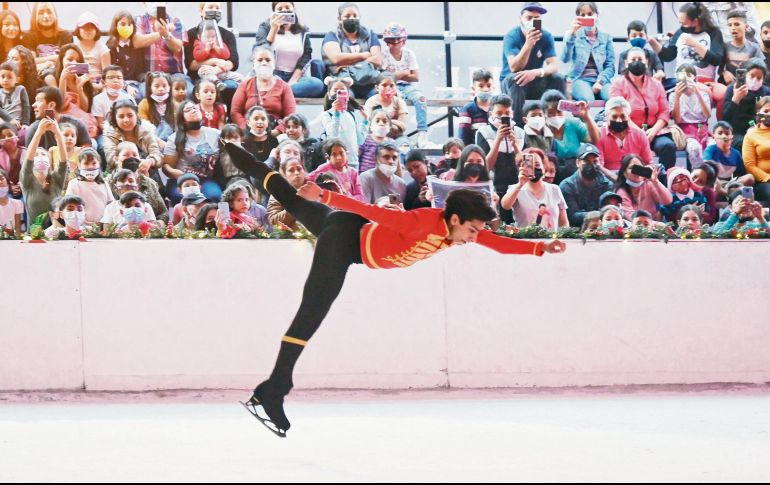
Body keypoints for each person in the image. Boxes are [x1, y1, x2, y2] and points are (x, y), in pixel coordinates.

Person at [224, 141, 566, 436]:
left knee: (290, 197)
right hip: (344, 243)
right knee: (312, 312)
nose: (475, 238)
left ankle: (237, 153)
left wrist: (541, 248)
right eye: (473, 230)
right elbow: (370, 210)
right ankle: (275, 390)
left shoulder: (459, 229)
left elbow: (499, 243)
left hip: (348, 229)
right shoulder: (421, 222)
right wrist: (325, 194)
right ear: (457, 220)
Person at [500, 2, 565, 126]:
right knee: (518, 79)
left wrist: (536, 72)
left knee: (558, 79)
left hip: (534, 80)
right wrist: (529, 44)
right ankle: (518, 127)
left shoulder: (546, 36)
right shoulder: (511, 36)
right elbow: (514, 67)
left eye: (536, 19)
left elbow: (554, 66)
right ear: (521, 19)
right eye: (529, 18)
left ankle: (555, 122)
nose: (532, 21)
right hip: (512, 82)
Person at [253, 2, 325, 98]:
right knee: (263, 84)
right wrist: (274, 29)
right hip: (273, 75)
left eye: (287, 7)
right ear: (274, 12)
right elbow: (260, 51)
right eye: (280, 9)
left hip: (296, 77)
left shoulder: (303, 30)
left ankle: (277, 92)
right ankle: (281, 92)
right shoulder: (265, 26)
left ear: (294, 9)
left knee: (317, 84)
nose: (284, 11)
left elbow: (307, 55)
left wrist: (293, 80)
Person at [322, 2, 383, 99]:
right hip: (343, 81)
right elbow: (336, 59)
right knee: (344, 96)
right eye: (347, 16)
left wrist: (346, 64)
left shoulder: (369, 34)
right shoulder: (332, 36)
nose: (352, 18)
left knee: (379, 96)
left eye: (355, 15)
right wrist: (364, 55)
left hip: (368, 80)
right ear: (339, 19)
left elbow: (378, 60)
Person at [560, 1, 615, 102]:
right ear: (578, 18)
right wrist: (571, 34)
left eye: (590, 14)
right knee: (587, 99)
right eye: (583, 15)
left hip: (601, 79)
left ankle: (602, 116)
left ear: (596, 15)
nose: (587, 17)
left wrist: (600, 81)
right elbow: (565, 59)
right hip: (579, 79)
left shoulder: (606, 38)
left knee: (613, 98)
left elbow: (610, 66)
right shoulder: (573, 34)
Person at [559, 143, 612, 227]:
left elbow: (610, 211)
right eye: (586, 161)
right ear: (577, 163)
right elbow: (571, 216)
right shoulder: (567, 186)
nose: (591, 165)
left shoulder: (607, 184)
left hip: (602, 230)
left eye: (594, 161)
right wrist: (597, 214)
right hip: (575, 233)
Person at [358, 140, 406, 205]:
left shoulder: (401, 184)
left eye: (394, 158)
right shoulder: (365, 178)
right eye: (386, 157)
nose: (391, 161)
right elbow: (364, 208)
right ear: (375, 159)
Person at [458, 69, 494, 148]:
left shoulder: (498, 108)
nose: (485, 89)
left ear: (493, 87)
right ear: (473, 89)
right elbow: (463, 138)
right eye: (481, 86)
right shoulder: (467, 109)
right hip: (475, 154)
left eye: (489, 85)